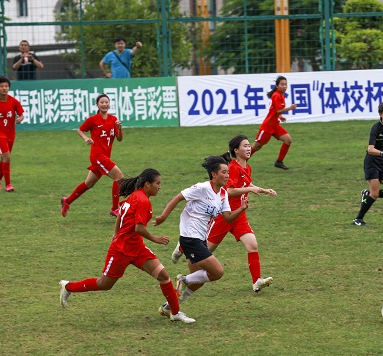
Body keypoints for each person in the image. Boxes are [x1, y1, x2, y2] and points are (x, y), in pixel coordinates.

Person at [59, 169, 195, 324]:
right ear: (147, 184)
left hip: (137, 248)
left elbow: (121, 212)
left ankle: (175, 312)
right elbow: (138, 227)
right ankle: (68, 286)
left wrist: (115, 233)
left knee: (163, 275)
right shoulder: (142, 200)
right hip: (122, 250)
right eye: (158, 183)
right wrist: (155, 239)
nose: (160, 187)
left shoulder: (136, 196)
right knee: (104, 284)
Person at [171, 135, 277, 293]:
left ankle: (257, 281)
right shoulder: (232, 168)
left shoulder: (247, 168)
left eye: (249, 146)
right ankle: (182, 248)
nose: (249, 148)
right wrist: (249, 190)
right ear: (236, 150)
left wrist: (262, 190)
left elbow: (246, 184)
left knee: (252, 244)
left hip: (239, 215)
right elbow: (229, 191)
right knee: (206, 250)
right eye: (245, 146)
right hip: (224, 216)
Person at [153, 156, 248, 318]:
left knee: (199, 280)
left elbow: (228, 217)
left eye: (228, 172)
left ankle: (169, 307)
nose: (227, 175)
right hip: (190, 237)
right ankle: (182, 279)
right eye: (224, 172)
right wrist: (163, 216)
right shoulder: (202, 188)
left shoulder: (223, 194)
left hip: (200, 239)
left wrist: (242, 208)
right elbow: (178, 197)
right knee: (217, 272)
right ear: (213, 174)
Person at [61, 94, 124, 217]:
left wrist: (119, 128)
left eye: (107, 102)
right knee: (119, 177)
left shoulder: (113, 119)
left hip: (105, 157)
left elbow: (120, 139)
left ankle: (67, 201)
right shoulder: (93, 119)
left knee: (89, 183)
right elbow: (80, 129)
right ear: (98, 105)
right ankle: (115, 209)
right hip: (97, 156)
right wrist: (85, 138)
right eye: (102, 102)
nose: (105, 104)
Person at [353, 102, 383, 226]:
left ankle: (367, 194)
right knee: (375, 193)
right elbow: (370, 150)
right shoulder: (376, 128)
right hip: (372, 162)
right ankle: (358, 219)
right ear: (380, 114)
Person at [250, 75, 297, 170]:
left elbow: (274, 110)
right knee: (257, 146)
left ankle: (279, 162)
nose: (284, 86)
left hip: (275, 125)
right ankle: (239, 161)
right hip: (268, 126)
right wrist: (290, 108)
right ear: (277, 86)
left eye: (285, 84)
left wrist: (280, 117)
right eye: (282, 84)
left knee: (288, 140)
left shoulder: (281, 95)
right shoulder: (276, 95)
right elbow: (278, 110)